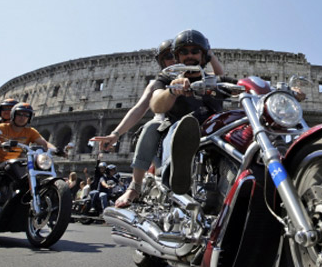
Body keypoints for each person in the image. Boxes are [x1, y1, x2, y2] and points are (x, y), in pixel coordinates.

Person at [92, 39, 225, 208]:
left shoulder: (201, 75)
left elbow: (220, 77)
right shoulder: (161, 81)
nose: (171, 60)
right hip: (169, 125)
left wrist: (209, 53)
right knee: (152, 126)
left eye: (174, 56)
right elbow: (139, 109)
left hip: (203, 123)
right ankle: (136, 185)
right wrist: (115, 134)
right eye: (167, 57)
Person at [144, 29, 226, 197]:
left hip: (214, 133)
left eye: (195, 51)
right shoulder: (166, 79)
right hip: (178, 129)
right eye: (183, 51)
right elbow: (156, 104)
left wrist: (289, 93)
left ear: (204, 56)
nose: (190, 55)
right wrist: (172, 91)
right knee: (181, 128)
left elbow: (248, 86)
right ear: (177, 56)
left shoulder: (216, 81)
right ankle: (174, 174)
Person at [0, 103, 57, 217]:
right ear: (13, 115)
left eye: (26, 115)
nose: (22, 118)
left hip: (14, 162)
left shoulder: (30, 131)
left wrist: (56, 150)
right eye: (19, 114)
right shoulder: (2, 127)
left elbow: (44, 143)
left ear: (30, 118)